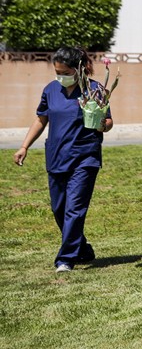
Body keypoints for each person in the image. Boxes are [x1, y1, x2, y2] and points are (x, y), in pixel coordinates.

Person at [13, 46, 114, 272]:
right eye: (57, 71)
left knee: (74, 209)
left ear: (78, 68)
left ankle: (65, 259)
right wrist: (24, 146)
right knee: (59, 209)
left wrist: (100, 123)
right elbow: (41, 120)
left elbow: (108, 123)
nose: (61, 76)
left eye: (65, 72)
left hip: (85, 158)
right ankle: (82, 249)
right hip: (57, 156)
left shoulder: (95, 89)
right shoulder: (51, 90)